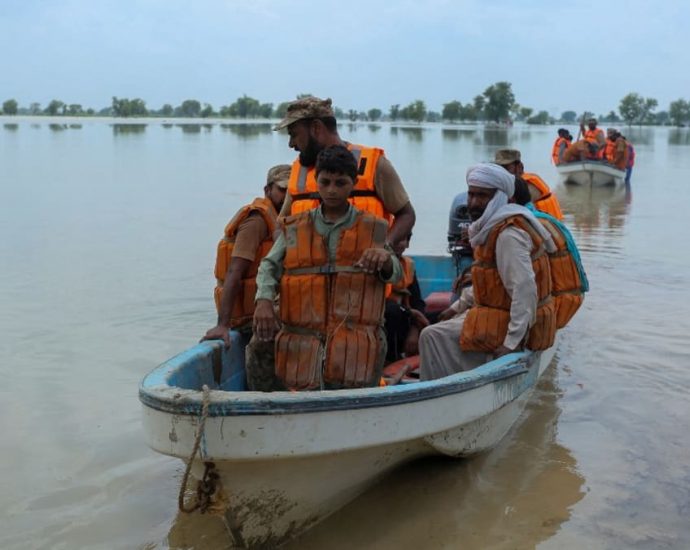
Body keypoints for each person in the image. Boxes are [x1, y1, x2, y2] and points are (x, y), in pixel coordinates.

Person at [252, 145, 402, 391]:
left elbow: (396, 272)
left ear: (353, 183)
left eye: (340, 183)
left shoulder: (372, 228)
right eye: (326, 182)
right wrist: (264, 301)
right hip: (304, 335)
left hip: (355, 339)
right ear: (316, 181)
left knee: (373, 349)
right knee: (259, 344)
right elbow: (268, 266)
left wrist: (385, 259)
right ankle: (263, 405)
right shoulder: (296, 227)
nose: (332, 190)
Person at [419, 163, 557, 380]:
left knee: (432, 336)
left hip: (517, 325)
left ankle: (437, 392)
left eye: (482, 196)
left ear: (500, 198)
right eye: (471, 195)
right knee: (443, 325)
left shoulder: (508, 236)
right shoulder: (492, 228)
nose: (473, 203)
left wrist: (511, 343)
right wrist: (456, 307)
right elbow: (492, 284)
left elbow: (525, 292)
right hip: (499, 312)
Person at [273, 96, 415, 247]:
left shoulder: (372, 164)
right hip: (308, 269)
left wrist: (386, 248)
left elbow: (406, 215)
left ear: (316, 128)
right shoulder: (298, 171)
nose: (291, 144)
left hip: (363, 268)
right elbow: (280, 226)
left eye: (294, 135)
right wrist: (283, 253)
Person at [201, 164, 290, 348]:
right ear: (268, 190)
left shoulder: (284, 220)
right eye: (282, 190)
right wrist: (223, 324)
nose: (287, 197)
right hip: (251, 317)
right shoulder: (256, 221)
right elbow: (234, 270)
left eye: (291, 191)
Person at [512, 178, 588, 328]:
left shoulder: (525, 226)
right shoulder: (539, 218)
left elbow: (524, 284)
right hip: (569, 299)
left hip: (555, 306)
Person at [384, 232, 429, 362]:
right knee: (394, 312)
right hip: (387, 319)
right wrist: (410, 313)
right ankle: (390, 360)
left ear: (408, 243)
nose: (398, 243)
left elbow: (418, 302)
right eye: (394, 239)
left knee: (438, 318)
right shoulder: (377, 264)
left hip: (406, 318)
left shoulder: (408, 266)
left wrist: (415, 330)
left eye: (402, 239)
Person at [494, 149, 564, 220]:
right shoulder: (517, 181)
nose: (501, 172)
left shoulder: (526, 187)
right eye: (498, 168)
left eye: (506, 168)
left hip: (547, 225)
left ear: (519, 167)